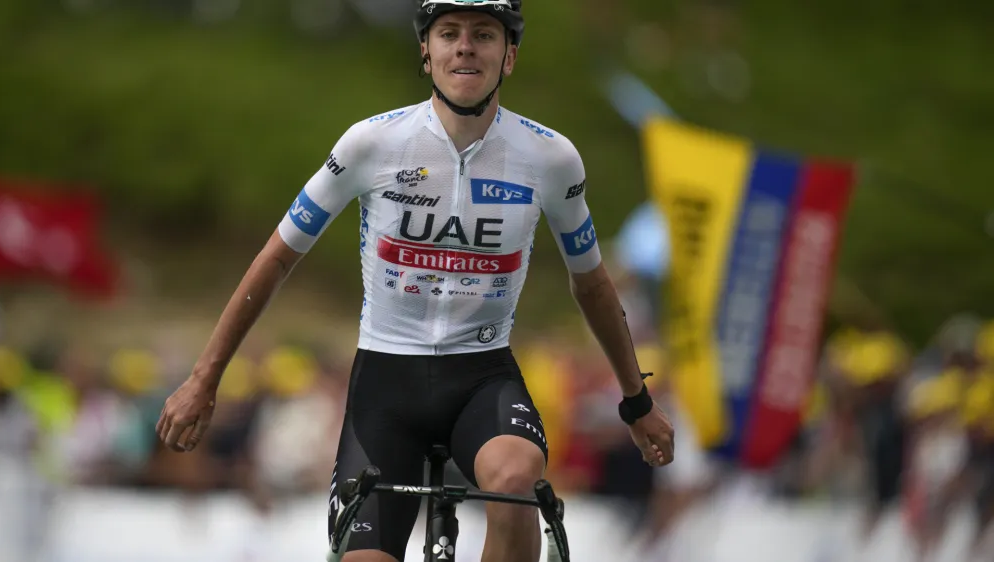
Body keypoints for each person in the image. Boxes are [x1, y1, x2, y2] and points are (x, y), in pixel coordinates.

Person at [154, 1, 676, 561]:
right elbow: (275, 259)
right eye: (448, 33)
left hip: (483, 379)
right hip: (386, 383)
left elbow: (593, 285)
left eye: (483, 34)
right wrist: (204, 379)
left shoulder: (550, 158)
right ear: (426, 53)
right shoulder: (371, 144)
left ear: (510, 56)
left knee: (516, 478)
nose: (465, 46)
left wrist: (635, 401)